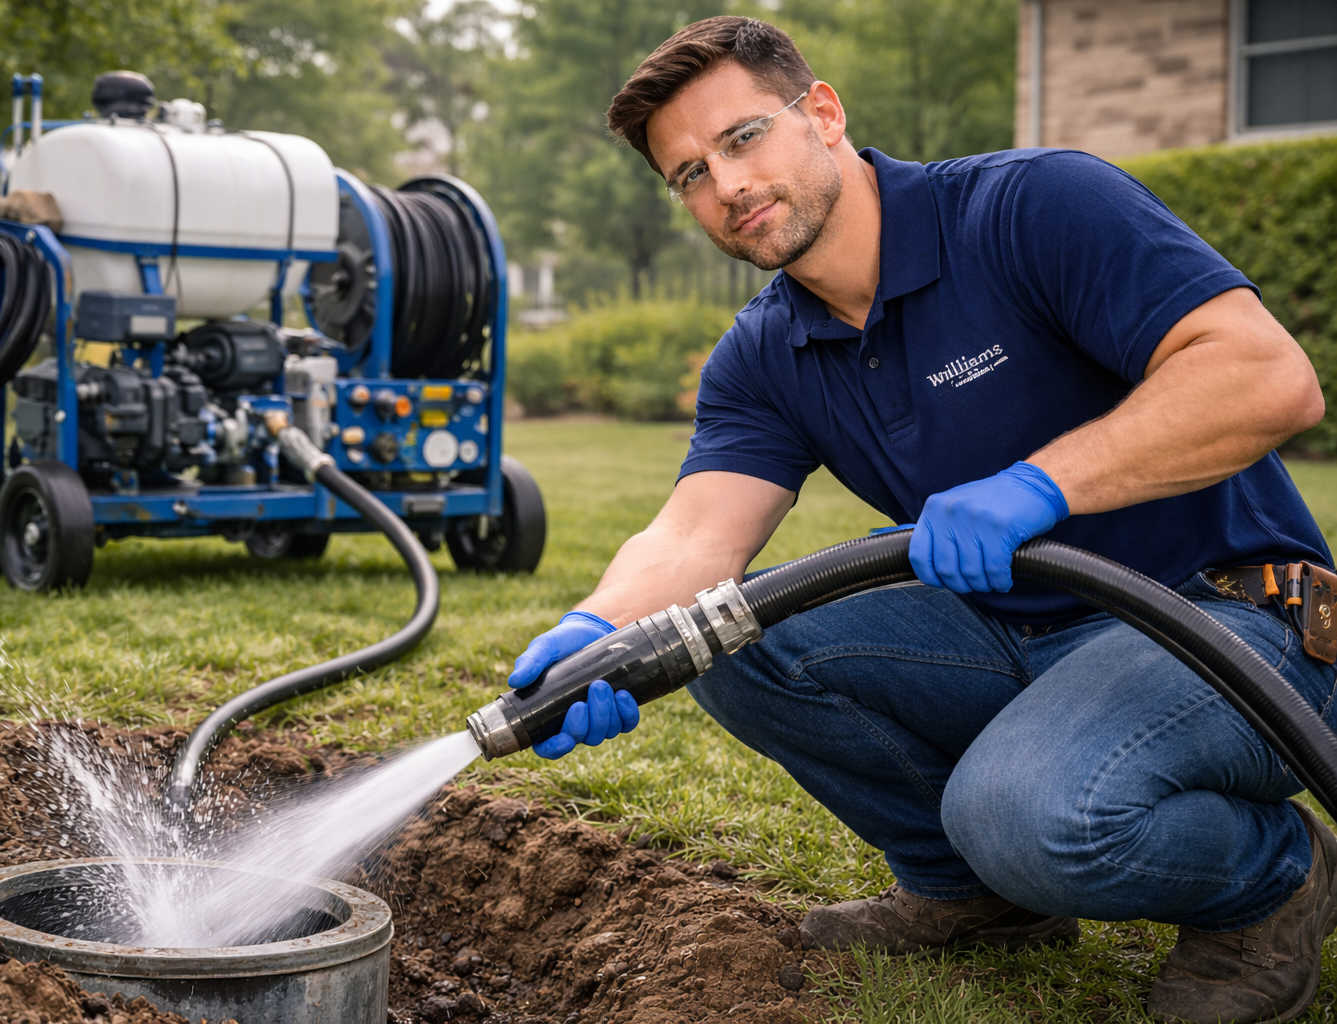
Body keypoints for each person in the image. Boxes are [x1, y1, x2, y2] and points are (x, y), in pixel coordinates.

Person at [506, 15, 1337, 1024]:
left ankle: (1275, 877)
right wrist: (601, 630)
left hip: (1232, 623)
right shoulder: (766, 351)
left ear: (822, 113)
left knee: (1029, 812)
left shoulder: (1030, 207)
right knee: (721, 634)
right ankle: (975, 894)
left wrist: (1042, 484)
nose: (724, 188)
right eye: (687, 175)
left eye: (740, 139)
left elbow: (1267, 379)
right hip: (1023, 631)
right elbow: (695, 537)